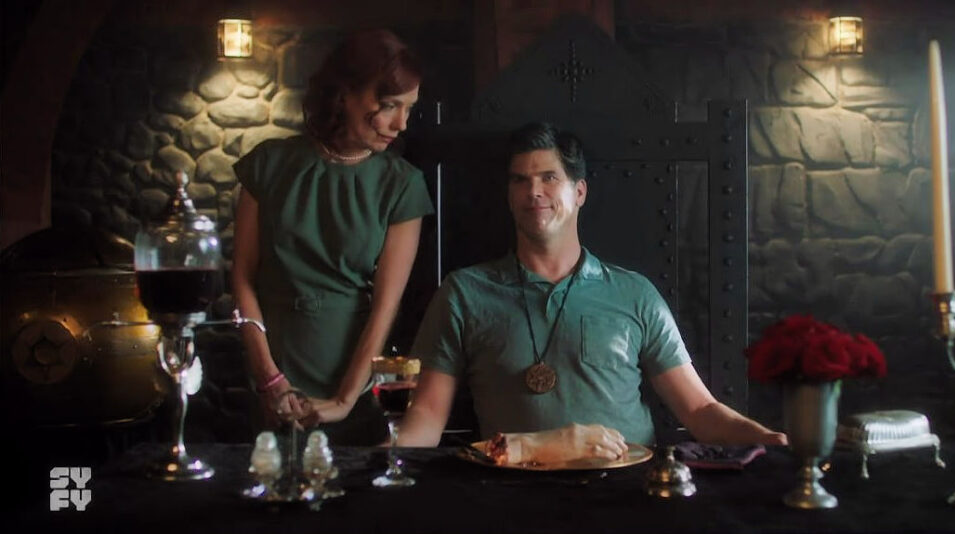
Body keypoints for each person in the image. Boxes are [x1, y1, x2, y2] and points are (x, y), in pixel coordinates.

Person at [397, 122, 785, 462]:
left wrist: (767, 440)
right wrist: (380, 463)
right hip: (512, 493)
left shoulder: (634, 293)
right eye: (520, 180)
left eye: (549, 177)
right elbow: (427, 415)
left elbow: (699, 409)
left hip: (628, 492)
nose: (534, 191)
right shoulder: (465, 293)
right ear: (508, 194)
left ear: (579, 191)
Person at [231, 29, 434, 445]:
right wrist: (269, 378)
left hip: (353, 381)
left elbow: (386, 306)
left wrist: (344, 400)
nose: (401, 124)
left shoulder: (401, 184)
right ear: (344, 95)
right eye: (389, 105)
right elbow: (242, 278)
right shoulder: (268, 164)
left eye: (409, 109)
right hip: (272, 372)